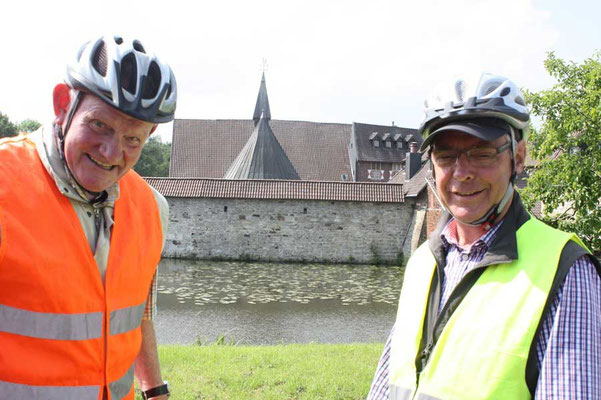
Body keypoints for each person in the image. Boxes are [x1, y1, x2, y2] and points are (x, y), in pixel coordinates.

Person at [367, 73, 601, 400]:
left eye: (482, 153)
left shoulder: (565, 273)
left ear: (517, 158)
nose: (462, 172)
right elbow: (388, 386)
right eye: (446, 156)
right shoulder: (422, 263)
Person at [0, 35, 177, 399]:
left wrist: (155, 389)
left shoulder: (152, 209)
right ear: (63, 104)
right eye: (99, 125)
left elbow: (136, 315)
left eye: (134, 140)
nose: (112, 153)